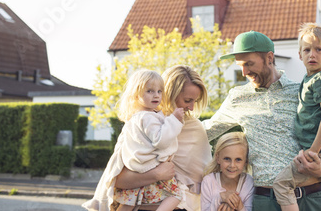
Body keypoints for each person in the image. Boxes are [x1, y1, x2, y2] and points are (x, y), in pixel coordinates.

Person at [202, 31, 321, 211]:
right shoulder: (236, 98)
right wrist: (166, 119)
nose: (244, 72)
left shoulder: (302, 91)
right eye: (240, 66)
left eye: (249, 64)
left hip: (314, 197)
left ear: (269, 58)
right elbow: (203, 132)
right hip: (267, 202)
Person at [112, 65, 212, 211]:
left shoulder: (194, 128)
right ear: (170, 94)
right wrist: (156, 174)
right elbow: (117, 179)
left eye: (195, 102)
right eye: (187, 100)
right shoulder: (140, 123)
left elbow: (206, 180)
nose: (191, 107)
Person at [83, 69, 185, 211]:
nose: (156, 95)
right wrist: (174, 120)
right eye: (149, 91)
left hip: (136, 167)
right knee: (176, 196)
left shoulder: (135, 117)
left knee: (129, 201)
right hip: (150, 166)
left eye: (159, 91)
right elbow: (161, 140)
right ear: (136, 95)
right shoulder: (148, 117)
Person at [272, 23, 321, 211]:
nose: (312, 54)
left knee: (281, 184)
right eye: (307, 50)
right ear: (300, 55)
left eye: (318, 49)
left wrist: (312, 151)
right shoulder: (309, 79)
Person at [201, 132, 254, 211]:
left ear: (246, 161)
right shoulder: (208, 181)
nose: (232, 165)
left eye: (238, 159)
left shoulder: (249, 182)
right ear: (218, 158)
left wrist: (238, 204)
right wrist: (220, 198)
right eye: (227, 159)